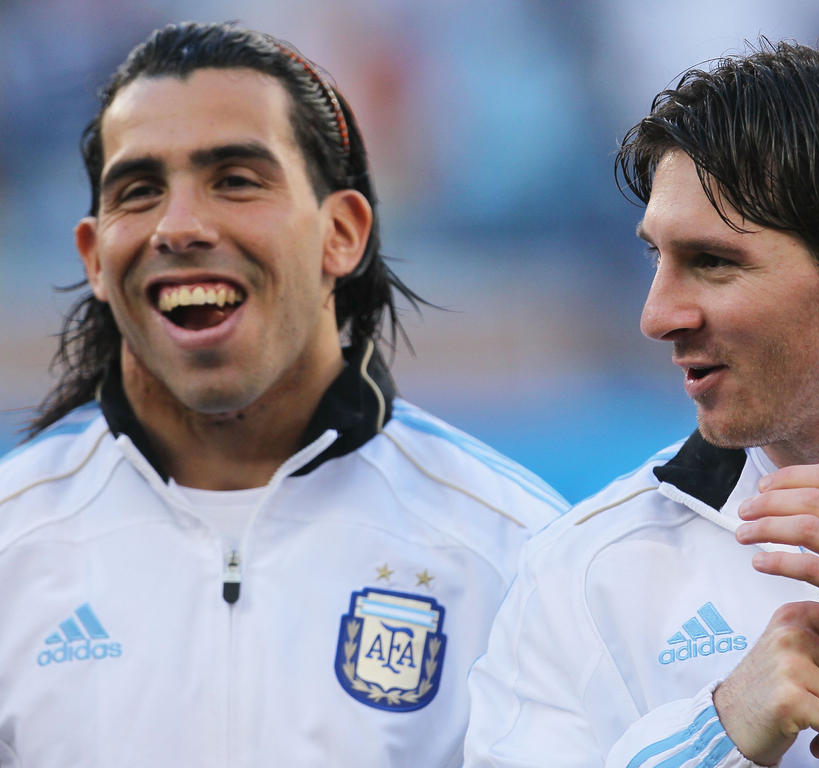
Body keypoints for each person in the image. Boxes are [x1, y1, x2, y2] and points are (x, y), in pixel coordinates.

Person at [0, 21, 567, 767]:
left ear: (342, 233)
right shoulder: (13, 544)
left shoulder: (517, 554)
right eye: (138, 191)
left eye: (235, 179)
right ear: (94, 258)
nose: (180, 226)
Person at [465, 40, 819, 767]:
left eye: (713, 263)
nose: (658, 315)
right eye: (655, 258)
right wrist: (716, 738)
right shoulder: (589, 569)